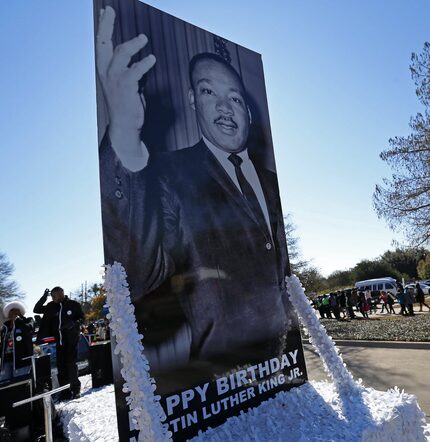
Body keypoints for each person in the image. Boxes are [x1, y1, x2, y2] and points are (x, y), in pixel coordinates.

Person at [96, 7, 298, 375]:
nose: (224, 107)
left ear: (249, 112)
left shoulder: (270, 183)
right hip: (222, 382)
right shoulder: (167, 175)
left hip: (287, 368)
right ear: (192, 101)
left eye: (235, 98)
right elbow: (136, 274)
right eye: (208, 92)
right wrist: (124, 135)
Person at [33, 287, 84, 399]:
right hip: (59, 341)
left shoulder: (73, 304)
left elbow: (82, 318)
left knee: (71, 365)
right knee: (61, 367)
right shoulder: (51, 306)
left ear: (61, 294)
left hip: (72, 340)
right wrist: (44, 297)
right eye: (51, 296)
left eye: (54, 295)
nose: (52, 298)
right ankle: (65, 392)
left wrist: (74, 323)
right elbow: (36, 310)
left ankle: (76, 390)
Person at [0, 301, 33, 381]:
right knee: (5, 383)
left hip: (21, 360)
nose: (13, 313)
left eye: (16, 311)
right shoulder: (4, 327)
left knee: (20, 383)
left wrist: (19, 319)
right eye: (11, 311)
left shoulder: (27, 321)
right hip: (6, 361)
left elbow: (28, 330)